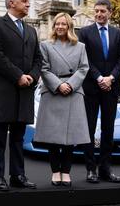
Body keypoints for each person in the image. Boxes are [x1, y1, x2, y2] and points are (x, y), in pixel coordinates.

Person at [0, 0, 42, 191]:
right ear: (11, 3)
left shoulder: (31, 30)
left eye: (28, 1)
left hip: (25, 90)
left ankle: (18, 175)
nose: (28, 4)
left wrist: (33, 76)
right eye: (24, 1)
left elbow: (38, 58)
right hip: (4, 90)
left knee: (19, 138)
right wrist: (18, 75)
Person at [34, 12, 90, 187]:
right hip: (53, 92)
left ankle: (66, 171)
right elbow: (43, 68)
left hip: (73, 92)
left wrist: (71, 85)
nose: (60, 27)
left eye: (63, 24)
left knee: (70, 137)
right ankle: (55, 171)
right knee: (53, 136)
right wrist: (58, 85)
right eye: (57, 24)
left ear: (69, 27)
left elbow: (83, 68)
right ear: (53, 26)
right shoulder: (45, 45)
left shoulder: (80, 46)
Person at [78, 0, 120, 184]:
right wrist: (99, 78)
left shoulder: (118, 33)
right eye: (96, 11)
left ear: (110, 13)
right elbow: (84, 59)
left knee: (109, 129)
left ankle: (106, 169)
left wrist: (111, 78)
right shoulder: (84, 33)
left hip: (111, 88)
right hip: (91, 87)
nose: (99, 14)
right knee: (89, 129)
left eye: (103, 11)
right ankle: (91, 170)